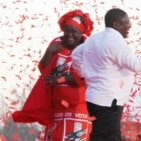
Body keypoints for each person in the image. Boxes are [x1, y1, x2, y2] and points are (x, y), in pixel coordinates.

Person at [72, 8, 141, 141]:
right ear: (116, 24)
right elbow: (136, 65)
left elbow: (76, 55)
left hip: (95, 98)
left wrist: (83, 75)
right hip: (108, 102)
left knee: (102, 135)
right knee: (108, 137)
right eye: (126, 23)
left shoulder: (94, 39)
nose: (129, 26)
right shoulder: (115, 43)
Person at [12, 9, 94, 141]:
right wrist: (48, 53)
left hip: (76, 113)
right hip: (56, 112)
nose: (70, 35)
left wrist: (60, 79)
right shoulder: (57, 44)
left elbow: (85, 77)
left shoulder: (88, 49)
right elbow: (45, 71)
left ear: (81, 33)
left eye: (74, 31)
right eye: (67, 30)